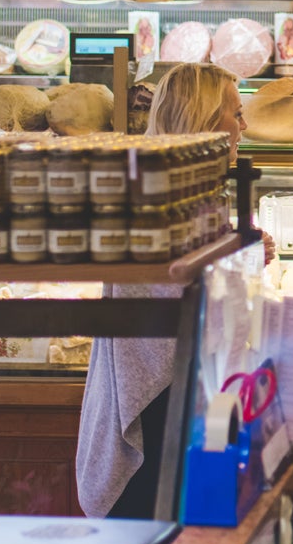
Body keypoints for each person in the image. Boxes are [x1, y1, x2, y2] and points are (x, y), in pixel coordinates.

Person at [76, 61, 254, 519]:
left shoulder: (187, 183)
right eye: (235, 113)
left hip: (175, 387)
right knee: (153, 542)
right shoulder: (161, 190)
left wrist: (242, 254)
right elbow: (179, 293)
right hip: (160, 398)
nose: (243, 126)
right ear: (206, 121)